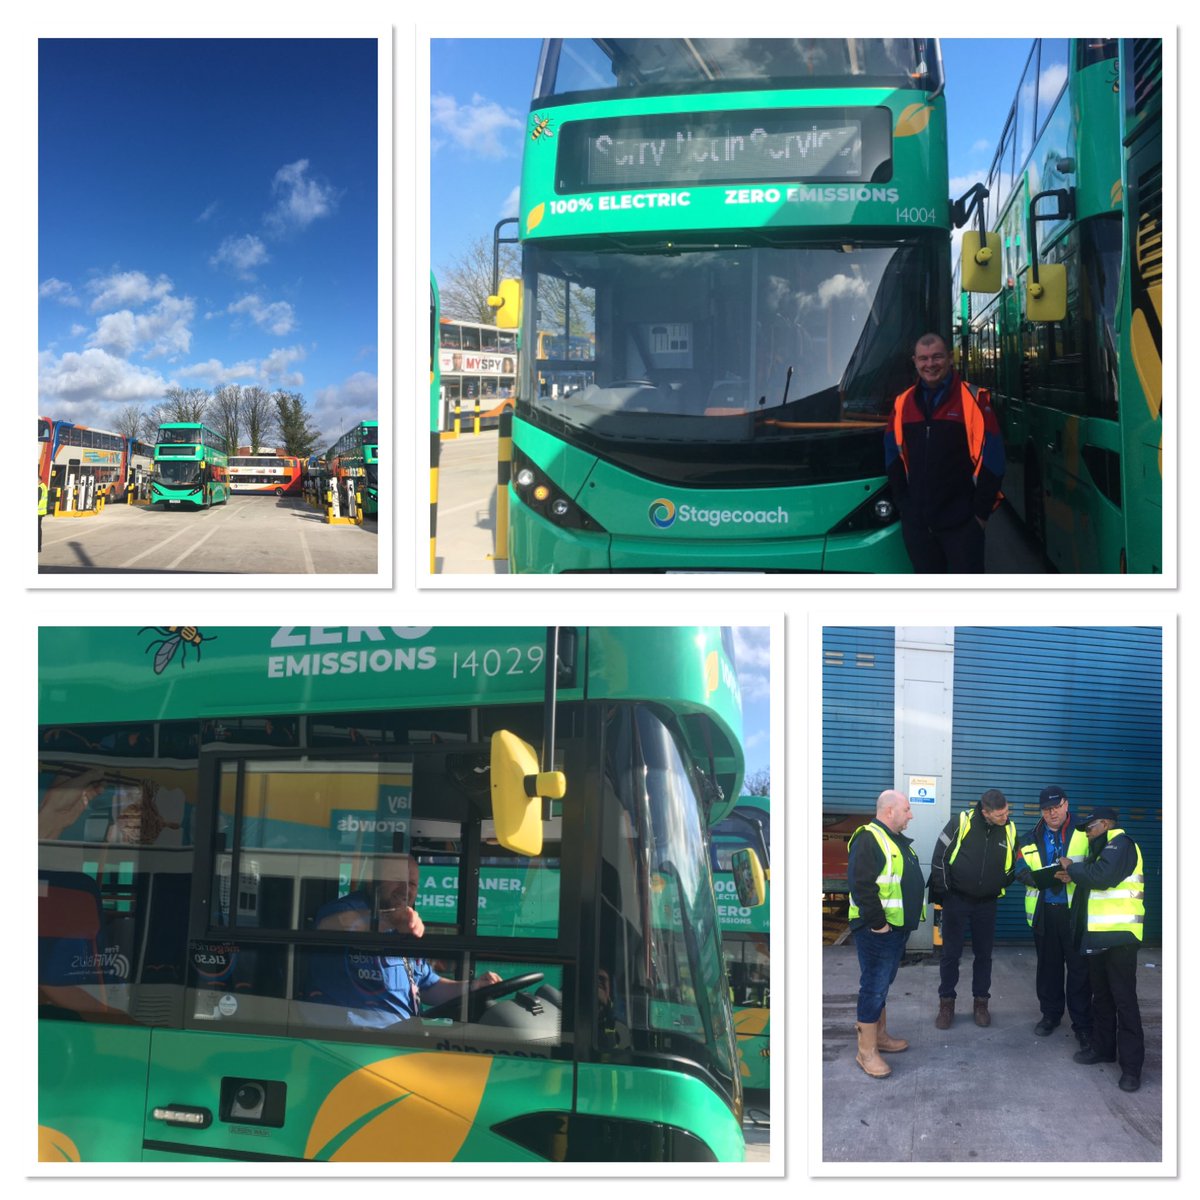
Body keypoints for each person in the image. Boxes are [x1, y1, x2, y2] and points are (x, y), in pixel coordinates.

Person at [308, 854, 501, 1026]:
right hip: (349, 1040)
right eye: (397, 880)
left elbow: (430, 987)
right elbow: (332, 926)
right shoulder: (347, 909)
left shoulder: (403, 927)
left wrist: (474, 987)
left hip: (402, 1038)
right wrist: (390, 918)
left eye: (413, 884)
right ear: (372, 880)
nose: (405, 889)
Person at [884, 332, 1005, 573]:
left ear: (950, 358)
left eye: (937, 357)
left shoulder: (974, 400)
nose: (930, 364)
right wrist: (905, 507)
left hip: (962, 526)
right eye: (924, 358)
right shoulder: (902, 403)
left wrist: (979, 517)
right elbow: (892, 457)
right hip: (918, 527)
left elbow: (994, 461)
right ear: (915, 362)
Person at [1058, 808, 1146, 1092]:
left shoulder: (1121, 843)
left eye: (1090, 828)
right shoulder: (1101, 849)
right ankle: (1103, 1048)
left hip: (1120, 938)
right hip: (1097, 938)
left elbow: (1101, 877)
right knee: (1102, 998)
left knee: (1124, 1001)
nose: (1086, 832)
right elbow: (1091, 883)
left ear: (1106, 824)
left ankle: (1132, 1068)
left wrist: (1073, 868)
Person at [846, 789, 925, 1078]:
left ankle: (879, 1036)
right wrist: (879, 924)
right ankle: (865, 1052)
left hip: (893, 930)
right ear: (890, 811)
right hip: (877, 930)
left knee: (882, 984)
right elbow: (861, 885)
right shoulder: (869, 838)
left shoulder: (894, 840)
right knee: (874, 986)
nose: (911, 814)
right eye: (907, 809)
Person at [929, 788, 1016, 1028]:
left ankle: (981, 1003)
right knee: (951, 954)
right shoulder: (961, 822)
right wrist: (946, 893)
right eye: (1000, 815)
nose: (1005, 818)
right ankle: (946, 1003)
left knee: (984, 955)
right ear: (986, 812)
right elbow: (940, 858)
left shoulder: (1009, 828)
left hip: (987, 903)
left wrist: (1000, 882)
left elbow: (1011, 863)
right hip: (957, 900)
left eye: (1007, 812)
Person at [1014, 785, 1093, 1048]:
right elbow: (1017, 865)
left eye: (1057, 807)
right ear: (1041, 811)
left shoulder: (1085, 832)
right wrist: (1029, 877)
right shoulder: (1028, 838)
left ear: (1066, 804)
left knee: (1079, 971)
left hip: (1076, 912)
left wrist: (1077, 872)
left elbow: (1099, 864)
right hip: (1044, 911)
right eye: (1047, 809)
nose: (1052, 813)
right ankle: (1050, 1015)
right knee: (1048, 969)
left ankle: (1082, 1024)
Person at [38, 473, 49, 552]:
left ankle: (38, 546)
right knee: (38, 529)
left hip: (37, 512)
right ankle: (38, 547)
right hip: (40, 512)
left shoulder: (39, 488)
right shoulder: (44, 486)